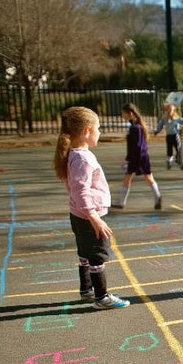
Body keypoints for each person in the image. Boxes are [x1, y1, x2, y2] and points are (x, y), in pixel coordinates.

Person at [52, 107, 130, 310]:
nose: (100, 132)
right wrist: (94, 217)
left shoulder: (77, 154)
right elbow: (80, 191)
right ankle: (101, 297)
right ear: (87, 131)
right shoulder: (82, 158)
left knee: (85, 253)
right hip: (87, 216)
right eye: (99, 128)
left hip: (79, 214)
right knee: (97, 255)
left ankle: (87, 290)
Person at [114, 103, 163, 210]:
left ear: (130, 113)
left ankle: (122, 202)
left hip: (138, 157)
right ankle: (157, 197)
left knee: (130, 178)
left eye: (124, 113)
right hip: (142, 156)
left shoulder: (135, 127)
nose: (123, 116)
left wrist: (128, 160)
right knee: (147, 177)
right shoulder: (136, 125)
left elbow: (136, 146)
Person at [154, 103, 183, 170]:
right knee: (179, 148)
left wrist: (157, 131)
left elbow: (160, 124)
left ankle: (169, 161)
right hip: (175, 136)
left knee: (169, 151)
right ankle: (179, 162)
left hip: (168, 136)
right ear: (174, 109)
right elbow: (182, 121)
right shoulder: (175, 116)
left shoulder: (164, 116)